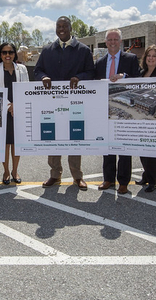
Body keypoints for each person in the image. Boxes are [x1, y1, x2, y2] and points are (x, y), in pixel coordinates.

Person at [34, 16, 95, 191]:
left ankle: (77, 176)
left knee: (74, 137)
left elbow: (90, 71)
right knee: (52, 137)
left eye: (64, 26)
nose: (61, 29)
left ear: (70, 28)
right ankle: (55, 174)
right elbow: (38, 70)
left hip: (75, 103)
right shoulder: (47, 50)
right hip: (51, 103)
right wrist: (43, 77)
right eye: (58, 26)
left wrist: (80, 78)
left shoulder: (82, 50)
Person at [94, 28, 140, 194]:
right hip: (105, 111)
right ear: (105, 43)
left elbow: (138, 79)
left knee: (124, 147)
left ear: (120, 42)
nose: (112, 42)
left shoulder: (131, 59)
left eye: (115, 39)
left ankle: (123, 182)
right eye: (109, 40)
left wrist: (124, 76)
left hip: (124, 109)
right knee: (107, 147)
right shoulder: (99, 63)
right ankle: (108, 179)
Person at [0, 42, 29, 184]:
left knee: (16, 144)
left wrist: (16, 105)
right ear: (0, 55)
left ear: (14, 54)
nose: (7, 55)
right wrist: (9, 106)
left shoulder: (22, 69)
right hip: (2, 111)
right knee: (5, 144)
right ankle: (6, 171)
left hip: (18, 111)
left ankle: (15, 171)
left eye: (10, 52)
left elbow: (26, 90)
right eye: (4, 52)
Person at [135, 45, 156, 193]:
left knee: (153, 151)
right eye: (149, 55)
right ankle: (146, 175)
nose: (151, 58)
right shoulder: (141, 73)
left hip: (155, 116)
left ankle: (153, 181)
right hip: (142, 114)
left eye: (154, 56)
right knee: (142, 148)